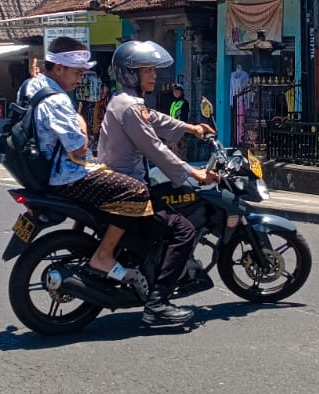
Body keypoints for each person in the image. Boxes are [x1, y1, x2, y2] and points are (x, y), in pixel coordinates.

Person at [28, 39, 166, 314]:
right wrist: (80, 120)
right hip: (68, 175)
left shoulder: (33, 86)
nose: (80, 78)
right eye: (76, 72)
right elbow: (78, 147)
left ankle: (88, 244)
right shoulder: (57, 100)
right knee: (136, 191)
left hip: (47, 172)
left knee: (109, 180)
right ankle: (103, 256)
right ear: (58, 68)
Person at [96, 42, 217, 328]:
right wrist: (194, 174)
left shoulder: (125, 101)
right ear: (130, 73)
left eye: (153, 69)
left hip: (121, 181)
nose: (154, 75)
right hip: (128, 185)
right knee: (183, 231)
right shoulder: (130, 107)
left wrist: (190, 128)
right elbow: (155, 148)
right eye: (146, 70)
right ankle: (158, 304)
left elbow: (154, 119)